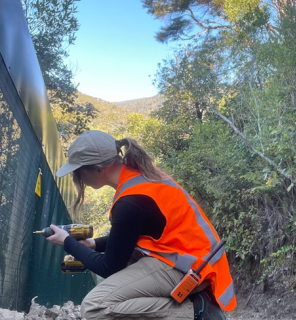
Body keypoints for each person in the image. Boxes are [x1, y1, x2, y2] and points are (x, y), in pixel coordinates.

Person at [46, 130, 236, 320]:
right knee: (122, 274)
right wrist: (94, 244)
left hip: (192, 267)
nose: (77, 177)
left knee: (94, 307)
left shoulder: (130, 201)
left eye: (78, 170)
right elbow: (128, 237)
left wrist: (68, 241)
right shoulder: (140, 177)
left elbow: (108, 266)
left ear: (98, 169)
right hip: (194, 258)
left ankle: (196, 312)